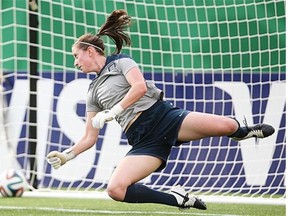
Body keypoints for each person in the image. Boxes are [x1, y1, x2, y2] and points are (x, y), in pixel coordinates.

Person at [47, 9, 275, 211]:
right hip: (144, 139)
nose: (75, 62)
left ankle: (243, 131)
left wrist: (114, 111)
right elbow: (89, 137)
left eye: (76, 56)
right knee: (116, 189)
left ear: (89, 51)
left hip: (165, 117)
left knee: (227, 125)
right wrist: (67, 155)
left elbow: (139, 87)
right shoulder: (92, 91)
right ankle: (178, 199)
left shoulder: (121, 62)